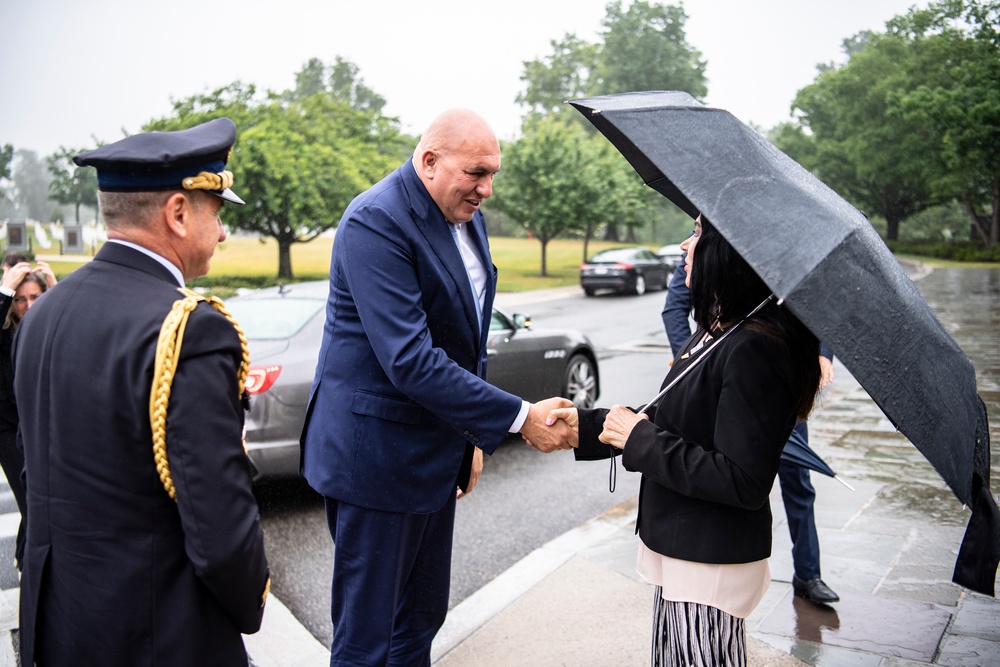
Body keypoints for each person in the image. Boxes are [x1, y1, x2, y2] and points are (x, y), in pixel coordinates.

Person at [300, 108, 573, 666]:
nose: (487, 189)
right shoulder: (375, 221)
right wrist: (520, 418)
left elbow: (465, 342)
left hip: (434, 454)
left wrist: (470, 437)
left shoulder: (467, 215)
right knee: (367, 637)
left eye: (493, 173)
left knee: (421, 620)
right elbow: (410, 359)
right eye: (476, 172)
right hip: (374, 462)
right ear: (429, 161)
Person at [12, 118, 270, 666]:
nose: (223, 233)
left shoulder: (43, 313)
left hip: (59, 627)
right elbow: (220, 525)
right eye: (217, 213)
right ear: (178, 213)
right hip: (158, 634)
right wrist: (250, 605)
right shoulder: (191, 327)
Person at [546, 214, 822, 665]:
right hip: (684, 549)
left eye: (697, 234)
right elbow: (671, 416)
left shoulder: (756, 346)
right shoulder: (721, 329)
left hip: (708, 561)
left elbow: (741, 480)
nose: (683, 245)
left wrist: (638, 439)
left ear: (727, 251)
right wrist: (585, 427)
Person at [662, 254, 840, 605]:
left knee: (797, 479)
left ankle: (808, 572)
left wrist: (822, 355)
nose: (688, 242)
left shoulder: (785, 249)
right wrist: (695, 360)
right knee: (721, 473)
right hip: (719, 382)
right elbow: (674, 310)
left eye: (696, 231)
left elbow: (816, 304)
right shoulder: (706, 249)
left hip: (776, 382)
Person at [0, 255, 53, 571]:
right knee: (34, 506)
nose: (29, 305)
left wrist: (56, 290)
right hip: (8, 427)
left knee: (39, 506)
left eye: (35, 297)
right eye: (20, 299)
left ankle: (25, 567)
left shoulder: (48, 324)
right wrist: (4, 292)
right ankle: (29, 573)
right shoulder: (6, 331)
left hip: (43, 425)